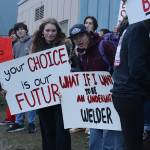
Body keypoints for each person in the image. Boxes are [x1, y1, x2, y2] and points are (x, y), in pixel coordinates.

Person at [69, 23, 124, 150]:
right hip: (95, 103)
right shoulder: (80, 54)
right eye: (75, 38)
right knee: (94, 141)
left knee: (111, 140)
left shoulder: (104, 45)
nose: (79, 40)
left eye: (81, 36)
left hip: (113, 99)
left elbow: (121, 66)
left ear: (88, 34)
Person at [31, 18, 71, 150]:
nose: (50, 33)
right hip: (43, 97)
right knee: (47, 130)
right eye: (47, 30)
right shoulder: (35, 48)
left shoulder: (65, 46)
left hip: (61, 96)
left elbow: (72, 68)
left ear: (57, 32)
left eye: (53, 30)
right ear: (42, 32)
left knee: (62, 130)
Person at [112, 19, 150, 150]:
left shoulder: (132, 27)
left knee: (131, 141)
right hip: (129, 94)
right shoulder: (140, 28)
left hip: (123, 93)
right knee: (133, 144)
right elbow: (137, 68)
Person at [7, 22, 36, 133]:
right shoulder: (15, 45)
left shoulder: (32, 41)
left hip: (31, 75)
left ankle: (31, 122)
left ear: (26, 30)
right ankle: (19, 122)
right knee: (19, 97)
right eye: (18, 30)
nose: (20, 31)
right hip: (18, 75)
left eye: (22, 29)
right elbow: (13, 59)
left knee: (32, 97)